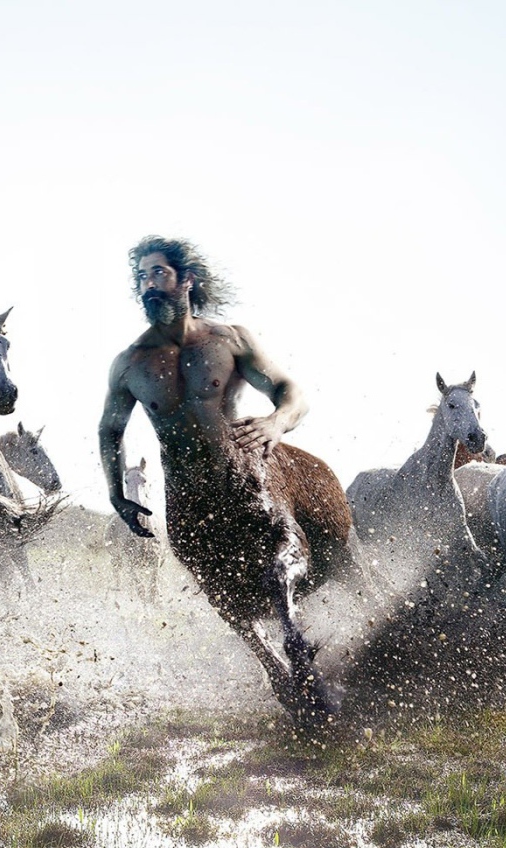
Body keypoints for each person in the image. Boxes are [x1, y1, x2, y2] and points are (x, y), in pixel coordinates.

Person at [98, 236, 350, 721]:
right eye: (142, 278)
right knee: (223, 594)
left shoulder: (230, 340)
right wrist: (115, 493)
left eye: (159, 274)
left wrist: (277, 421)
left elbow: (289, 389)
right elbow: (110, 429)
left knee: (281, 569)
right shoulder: (130, 363)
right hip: (186, 498)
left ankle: (295, 642)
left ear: (186, 280)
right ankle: (274, 668)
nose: (149, 286)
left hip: (245, 475)